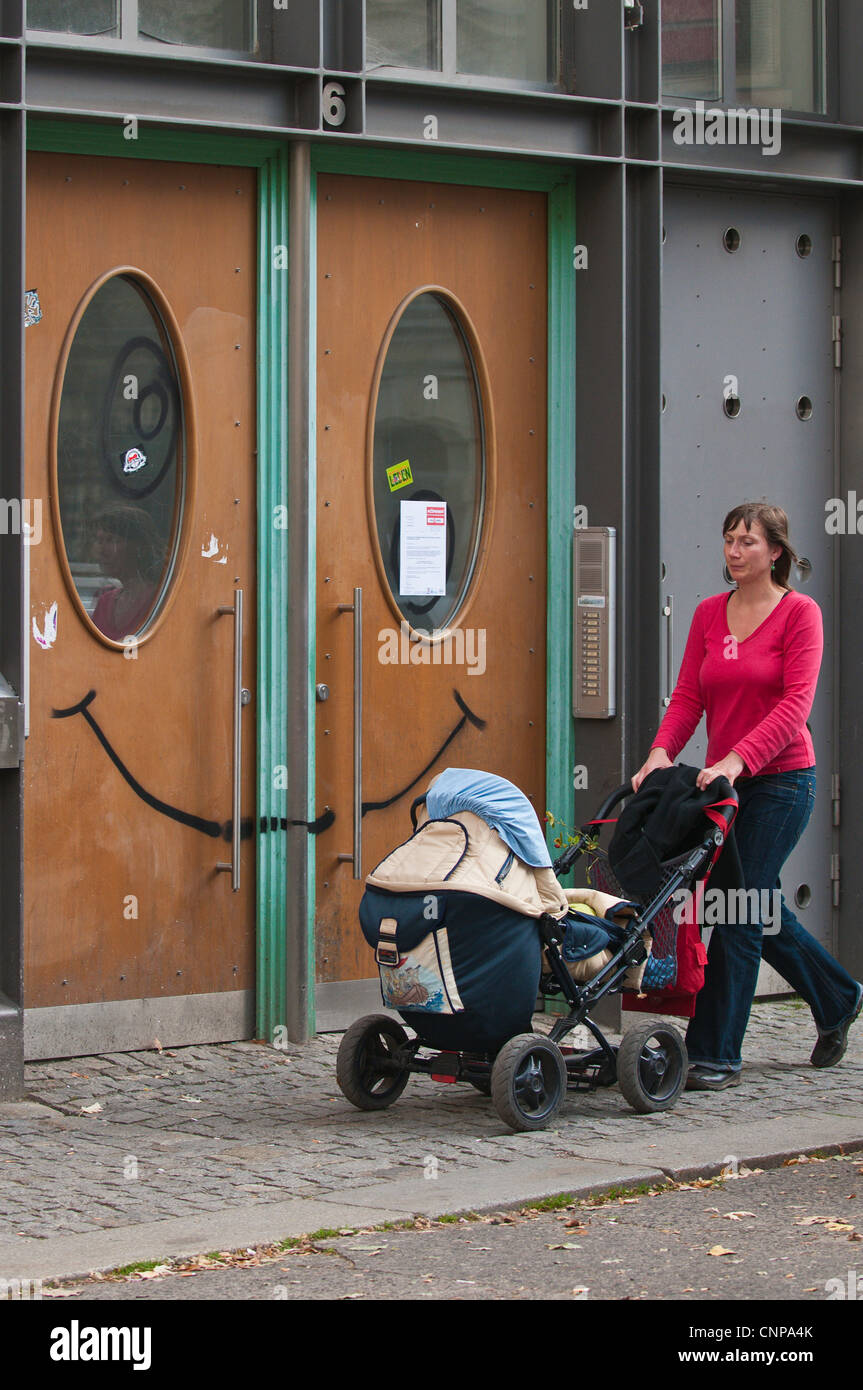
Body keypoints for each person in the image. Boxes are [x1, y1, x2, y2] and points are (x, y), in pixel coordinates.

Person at [632, 501, 862, 1091]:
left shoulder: (800, 614)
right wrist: (660, 752)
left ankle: (713, 1054)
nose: (734, 551)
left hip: (782, 781)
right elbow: (688, 696)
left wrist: (736, 758)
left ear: (775, 551)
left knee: (736, 905)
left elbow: (794, 707)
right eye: (729, 539)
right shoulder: (710, 613)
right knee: (757, 904)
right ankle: (837, 996)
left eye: (748, 541)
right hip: (725, 785)